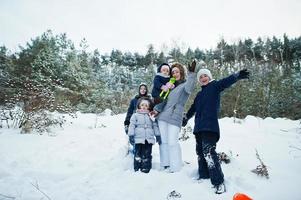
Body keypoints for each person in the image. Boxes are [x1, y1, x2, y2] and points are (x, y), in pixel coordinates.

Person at [182, 68, 250, 194]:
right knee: (200, 153)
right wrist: (186, 117)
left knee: (208, 152)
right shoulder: (199, 95)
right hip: (199, 129)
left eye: (205, 76)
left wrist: (236, 76)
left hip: (210, 127)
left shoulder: (215, 86)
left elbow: (226, 82)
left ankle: (218, 182)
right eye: (200, 77)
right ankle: (203, 176)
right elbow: (193, 108)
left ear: (209, 77)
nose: (203, 78)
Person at [156, 60, 197, 173]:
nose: (175, 74)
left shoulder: (184, 85)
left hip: (175, 116)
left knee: (172, 142)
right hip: (163, 116)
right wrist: (156, 110)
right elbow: (162, 100)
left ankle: (175, 167)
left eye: (177, 71)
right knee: (163, 142)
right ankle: (165, 164)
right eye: (173, 72)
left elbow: (190, 87)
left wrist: (192, 74)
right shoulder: (170, 86)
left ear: (181, 73)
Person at [128, 97, 161, 173]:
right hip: (138, 139)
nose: (144, 107)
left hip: (148, 139)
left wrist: (158, 135)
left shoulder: (151, 115)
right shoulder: (135, 115)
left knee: (147, 154)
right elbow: (132, 125)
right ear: (139, 105)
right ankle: (137, 168)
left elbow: (155, 126)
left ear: (149, 107)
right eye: (142, 105)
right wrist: (131, 135)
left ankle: (146, 168)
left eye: (146, 105)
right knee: (138, 154)